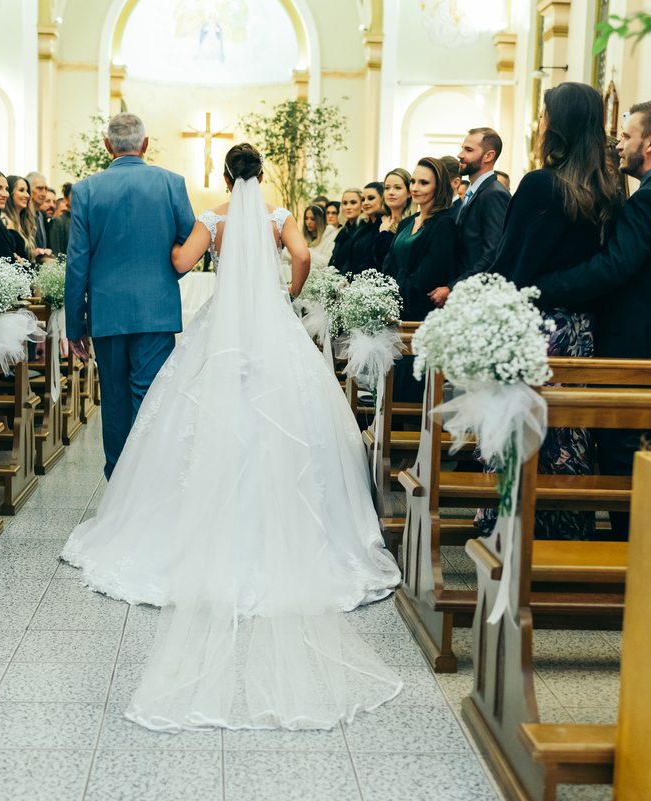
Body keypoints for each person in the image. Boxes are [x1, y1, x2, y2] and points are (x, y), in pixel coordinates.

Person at [61, 142, 401, 733]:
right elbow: (303, 257)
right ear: (262, 175)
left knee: (200, 414)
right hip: (272, 327)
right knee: (289, 419)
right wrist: (287, 292)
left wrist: (169, 246)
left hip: (222, 329)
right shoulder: (278, 217)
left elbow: (180, 261)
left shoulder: (213, 219)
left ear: (224, 177)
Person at [531, 100, 651, 539]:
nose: (618, 145)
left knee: (624, 462)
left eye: (627, 136)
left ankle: (630, 561)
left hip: (636, 353)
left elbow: (611, 268)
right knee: (648, 462)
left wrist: (540, 285)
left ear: (650, 143)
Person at [480, 82, 625, 541]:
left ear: (556, 125)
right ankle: (564, 531)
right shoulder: (609, 188)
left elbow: (512, 262)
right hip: (579, 330)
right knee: (566, 428)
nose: (540, 124)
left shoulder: (541, 184)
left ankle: (511, 534)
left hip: (536, 327)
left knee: (523, 430)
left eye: (544, 116)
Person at [64, 112, 196, 479]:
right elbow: (192, 243)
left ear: (107, 146)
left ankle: (119, 481)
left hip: (107, 313)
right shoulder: (171, 183)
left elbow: (77, 262)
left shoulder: (86, 190)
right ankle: (149, 483)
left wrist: (75, 325)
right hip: (156, 310)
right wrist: (166, 276)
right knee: (151, 398)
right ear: (146, 144)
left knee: (115, 401)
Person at [382, 157, 460, 403]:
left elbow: (430, 276)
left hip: (419, 313)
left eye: (423, 183)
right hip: (395, 310)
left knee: (409, 391)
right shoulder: (406, 222)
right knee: (389, 388)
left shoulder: (444, 223)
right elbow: (389, 263)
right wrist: (382, 294)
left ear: (439, 187)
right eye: (413, 181)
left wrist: (394, 293)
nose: (415, 187)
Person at [432, 127, 510, 304]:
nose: (460, 155)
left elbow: (492, 255)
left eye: (468, 150)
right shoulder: (474, 191)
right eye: (462, 148)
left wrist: (454, 288)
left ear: (488, 156)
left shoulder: (494, 193)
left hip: (476, 298)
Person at [370, 168, 414, 273]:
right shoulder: (380, 220)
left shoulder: (413, 223)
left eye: (397, 188)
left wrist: (383, 233)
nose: (391, 192)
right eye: (387, 188)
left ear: (409, 193)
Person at [340, 182, 386, 276]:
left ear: (382, 199)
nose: (365, 203)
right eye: (363, 199)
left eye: (371, 198)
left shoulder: (385, 226)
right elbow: (350, 260)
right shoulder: (363, 227)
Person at [4, 174, 39, 262]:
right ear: (9, 193)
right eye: (21, 190)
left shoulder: (25, 221)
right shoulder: (4, 220)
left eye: (27, 191)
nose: (27, 195)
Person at [328, 187, 363, 271]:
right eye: (345, 203)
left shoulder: (363, 231)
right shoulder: (343, 231)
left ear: (362, 205)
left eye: (353, 202)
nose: (348, 207)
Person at [26, 170, 52, 252]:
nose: (44, 193)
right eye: (39, 188)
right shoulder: (22, 214)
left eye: (46, 189)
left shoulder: (41, 216)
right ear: (28, 189)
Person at [50, 181, 72, 255]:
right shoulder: (59, 221)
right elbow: (56, 251)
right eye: (74, 195)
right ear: (65, 199)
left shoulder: (81, 220)